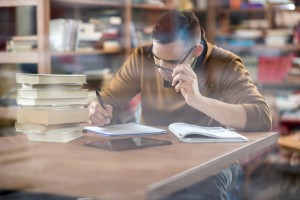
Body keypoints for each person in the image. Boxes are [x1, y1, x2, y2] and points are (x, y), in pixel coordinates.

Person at [88, 9, 272, 200]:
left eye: (172, 62)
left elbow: (262, 117)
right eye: (156, 58)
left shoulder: (225, 63)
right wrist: (99, 109)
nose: (161, 68)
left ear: (197, 50)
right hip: (152, 152)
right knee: (108, 179)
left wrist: (199, 100)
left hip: (211, 160)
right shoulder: (142, 56)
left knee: (200, 185)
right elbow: (109, 100)